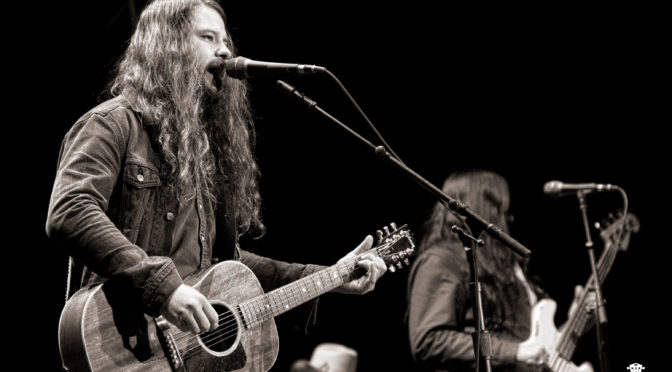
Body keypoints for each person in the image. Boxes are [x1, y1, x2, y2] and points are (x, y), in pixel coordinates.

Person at [46, 0, 385, 343]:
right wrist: (163, 288)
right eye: (208, 37)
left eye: (225, 40)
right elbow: (71, 211)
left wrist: (328, 278)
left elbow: (228, 267)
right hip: (120, 344)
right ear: (168, 45)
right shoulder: (111, 124)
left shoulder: (205, 150)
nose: (224, 51)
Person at [407, 170, 591, 371]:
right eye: (502, 211)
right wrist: (514, 352)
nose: (509, 218)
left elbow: (536, 348)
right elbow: (429, 340)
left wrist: (576, 323)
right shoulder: (441, 260)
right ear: (484, 209)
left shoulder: (508, 267)